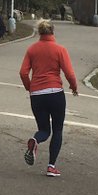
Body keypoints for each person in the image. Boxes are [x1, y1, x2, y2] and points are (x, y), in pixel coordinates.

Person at [19, 19, 78, 177]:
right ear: (53, 31)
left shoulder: (32, 49)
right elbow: (70, 73)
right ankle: (51, 166)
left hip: (37, 94)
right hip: (55, 93)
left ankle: (35, 140)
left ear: (39, 32)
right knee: (57, 129)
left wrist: (30, 87)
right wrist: (74, 87)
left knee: (44, 129)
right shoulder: (60, 49)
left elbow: (23, 72)